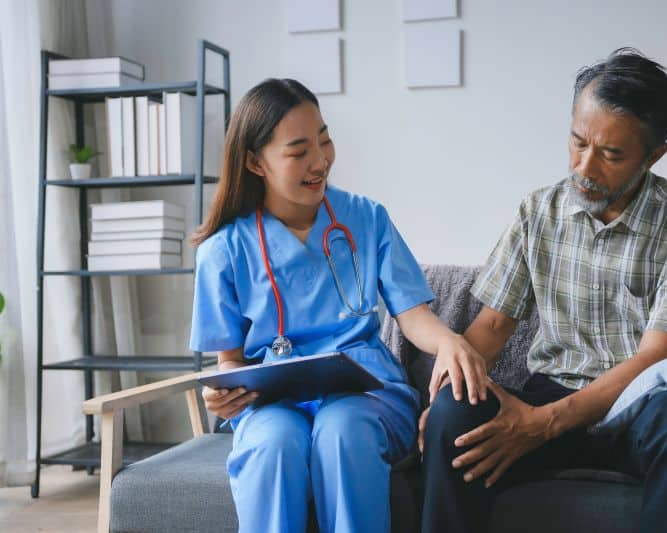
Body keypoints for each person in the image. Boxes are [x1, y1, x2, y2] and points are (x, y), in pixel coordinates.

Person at [420, 48, 667, 533]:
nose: (585, 168)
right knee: (455, 412)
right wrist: (443, 398)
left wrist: (543, 422)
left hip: (643, 404)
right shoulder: (537, 212)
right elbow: (492, 325)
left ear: (653, 155)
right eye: (577, 142)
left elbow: (657, 359)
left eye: (611, 155)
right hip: (551, 390)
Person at [189, 78, 487, 533]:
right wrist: (222, 393)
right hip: (274, 403)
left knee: (343, 426)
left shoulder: (366, 219)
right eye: (298, 151)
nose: (320, 161)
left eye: (324, 140)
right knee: (272, 443)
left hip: (367, 395)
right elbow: (229, 361)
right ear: (255, 162)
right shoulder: (223, 251)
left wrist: (448, 342)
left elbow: (412, 313)